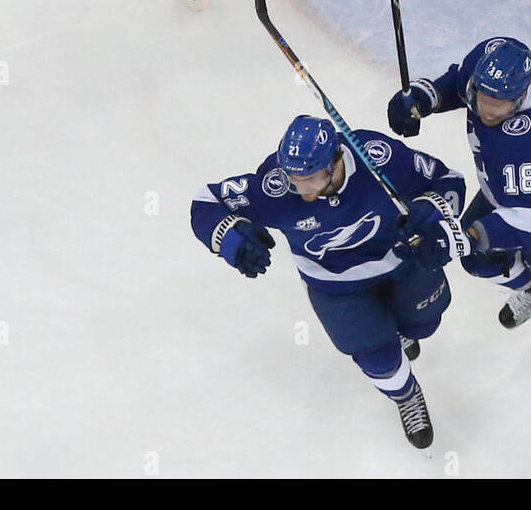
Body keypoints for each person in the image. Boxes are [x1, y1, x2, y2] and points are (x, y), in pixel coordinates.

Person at [191, 115, 466, 449]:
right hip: (335, 283)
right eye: (294, 178)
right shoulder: (274, 186)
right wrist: (229, 237)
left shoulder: (377, 156)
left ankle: (403, 329)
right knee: (374, 354)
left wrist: (429, 212)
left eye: (309, 178)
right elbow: (205, 202)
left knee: (425, 324)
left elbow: (447, 180)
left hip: (402, 259)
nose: (300, 188)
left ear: (336, 162)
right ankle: (406, 395)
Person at [388, 37, 531, 330]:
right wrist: (427, 97)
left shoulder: (529, 139)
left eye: (498, 105)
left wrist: (460, 237)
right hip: (516, 189)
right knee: (479, 261)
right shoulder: (493, 61)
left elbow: (523, 224)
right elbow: (459, 83)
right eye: (481, 97)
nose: (486, 110)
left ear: (521, 97)